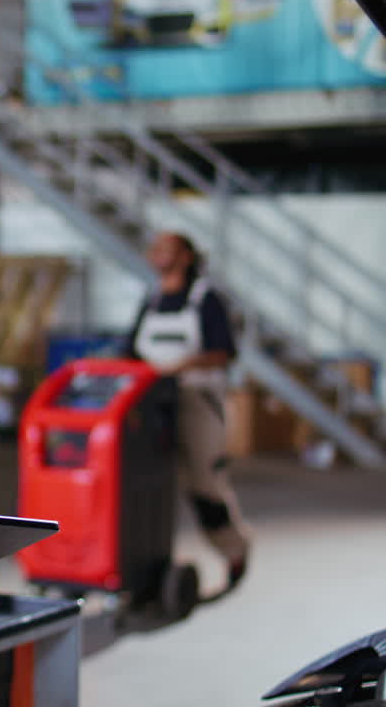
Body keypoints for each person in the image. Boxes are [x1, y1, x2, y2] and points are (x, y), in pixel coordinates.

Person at [124, 231, 251, 591]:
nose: (158, 254)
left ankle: (233, 549)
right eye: (155, 247)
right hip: (150, 404)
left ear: (186, 256)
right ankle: (144, 561)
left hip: (196, 403)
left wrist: (177, 367)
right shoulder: (152, 299)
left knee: (204, 484)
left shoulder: (204, 299)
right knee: (143, 485)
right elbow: (130, 351)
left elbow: (222, 352)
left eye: (167, 248)